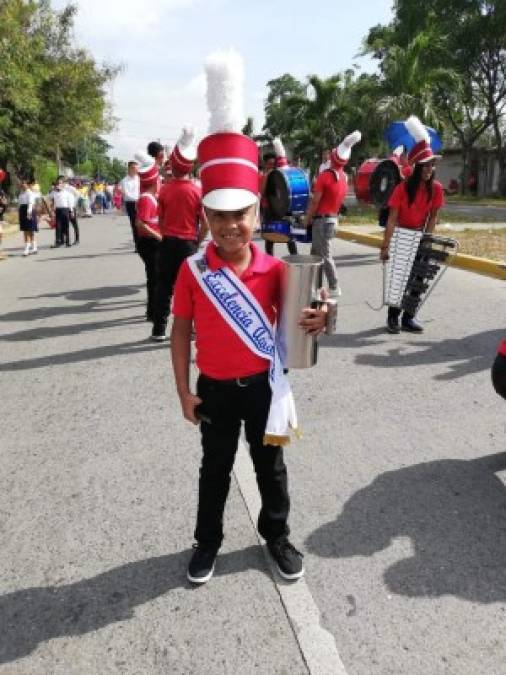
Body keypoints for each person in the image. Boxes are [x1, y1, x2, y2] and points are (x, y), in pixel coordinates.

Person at [171, 49, 328, 586]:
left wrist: (323, 316)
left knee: (272, 469)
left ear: (257, 213)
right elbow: (181, 331)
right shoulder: (193, 271)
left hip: (264, 387)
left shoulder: (276, 269)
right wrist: (182, 391)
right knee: (213, 472)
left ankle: (277, 538)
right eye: (219, 214)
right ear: (207, 216)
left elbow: (315, 310)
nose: (231, 224)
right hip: (213, 387)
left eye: (241, 213)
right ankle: (206, 544)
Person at [380, 115, 445, 334]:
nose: (429, 170)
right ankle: (392, 317)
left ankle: (409, 317)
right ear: (417, 167)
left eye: (432, 166)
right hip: (401, 235)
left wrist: (426, 240)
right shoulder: (402, 188)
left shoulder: (435, 188)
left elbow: (433, 216)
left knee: (418, 278)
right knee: (399, 280)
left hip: (421, 236)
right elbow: (391, 218)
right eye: (425, 166)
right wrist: (385, 245)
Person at [151, 128, 205, 341]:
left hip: (168, 243)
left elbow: (160, 220)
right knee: (193, 288)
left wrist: (166, 234)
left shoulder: (164, 190)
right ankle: (192, 328)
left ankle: (159, 329)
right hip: (188, 244)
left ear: (173, 164)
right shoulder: (197, 190)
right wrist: (197, 240)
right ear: (191, 166)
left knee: (164, 286)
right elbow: (206, 222)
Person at [304, 130, 362, 297]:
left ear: (333, 157)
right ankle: (314, 287)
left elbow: (315, 201)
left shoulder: (324, 176)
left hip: (321, 220)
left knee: (324, 255)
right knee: (315, 254)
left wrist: (307, 218)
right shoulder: (344, 177)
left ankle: (335, 286)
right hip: (332, 219)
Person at [134, 156, 162, 322]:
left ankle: (153, 311)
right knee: (154, 279)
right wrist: (159, 236)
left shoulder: (152, 197)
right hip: (149, 243)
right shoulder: (146, 199)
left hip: (153, 242)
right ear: (154, 181)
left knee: (156, 278)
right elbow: (140, 224)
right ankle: (152, 312)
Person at [261, 137, 298, 257]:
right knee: (269, 237)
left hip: (282, 209)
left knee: (289, 236)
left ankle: (294, 258)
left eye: (274, 164)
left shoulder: (280, 175)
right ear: (265, 165)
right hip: (269, 210)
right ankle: (269, 260)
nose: (272, 166)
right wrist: (267, 177)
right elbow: (261, 193)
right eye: (269, 164)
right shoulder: (263, 176)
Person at [120, 161, 140, 248]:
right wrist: (137, 199)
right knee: (134, 224)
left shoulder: (139, 178)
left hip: (140, 203)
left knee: (143, 223)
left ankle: (143, 243)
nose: (137, 170)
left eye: (137, 168)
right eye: (135, 168)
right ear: (130, 169)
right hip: (131, 204)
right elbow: (126, 194)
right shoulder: (124, 181)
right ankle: (137, 244)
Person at [50, 176, 74, 247]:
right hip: (58, 210)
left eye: (60, 183)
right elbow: (48, 197)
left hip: (65, 210)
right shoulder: (54, 193)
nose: (58, 185)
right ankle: (58, 242)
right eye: (57, 183)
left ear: (63, 184)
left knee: (66, 226)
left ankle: (68, 242)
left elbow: (70, 203)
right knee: (58, 227)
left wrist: (71, 211)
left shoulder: (67, 193)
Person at [18, 179, 38, 256]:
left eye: (24, 183)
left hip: (28, 211)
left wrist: (29, 212)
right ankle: (33, 247)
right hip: (22, 211)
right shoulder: (21, 193)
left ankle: (28, 248)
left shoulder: (30, 193)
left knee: (30, 230)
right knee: (25, 230)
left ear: (27, 185)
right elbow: (19, 203)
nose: (23, 185)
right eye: (22, 183)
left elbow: (30, 203)